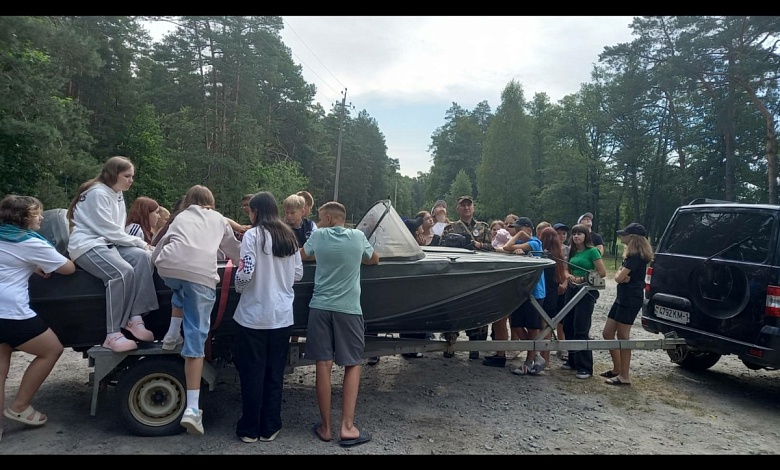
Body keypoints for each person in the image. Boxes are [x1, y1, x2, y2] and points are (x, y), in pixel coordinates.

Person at [151, 185, 241, 436]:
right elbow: (234, 251)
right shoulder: (219, 219)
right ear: (211, 202)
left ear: (188, 201)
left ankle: (170, 335)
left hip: (168, 268)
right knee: (196, 343)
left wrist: (154, 264)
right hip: (200, 276)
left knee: (180, 289)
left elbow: (161, 246)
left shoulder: (180, 216)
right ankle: (192, 409)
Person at [301, 201, 379, 447]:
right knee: (352, 364)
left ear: (329, 219)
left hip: (320, 308)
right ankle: (347, 427)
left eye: (320, 217)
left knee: (322, 365)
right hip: (349, 310)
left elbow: (303, 255)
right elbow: (373, 259)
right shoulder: (357, 237)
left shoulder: (319, 235)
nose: (318, 221)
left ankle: (326, 428)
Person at [0, 195, 76, 439]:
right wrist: (38, 261)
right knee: (51, 349)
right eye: (36, 214)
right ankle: (20, 406)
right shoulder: (29, 242)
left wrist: (32, 265)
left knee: (1, 365)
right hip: (10, 311)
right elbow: (68, 268)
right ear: (23, 218)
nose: (41, 218)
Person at [66, 156, 159, 353]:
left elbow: (116, 232)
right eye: (127, 176)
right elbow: (108, 230)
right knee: (121, 272)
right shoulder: (97, 193)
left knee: (143, 258)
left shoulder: (116, 193)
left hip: (109, 242)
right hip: (87, 245)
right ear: (112, 174)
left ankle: (135, 316)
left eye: (132, 176)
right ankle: (112, 334)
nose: (131, 180)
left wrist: (142, 249)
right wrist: (141, 242)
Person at [233, 192, 303, 443]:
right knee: (275, 373)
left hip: (253, 314)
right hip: (282, 316)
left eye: (249, 210)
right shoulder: (289, 236)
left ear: (256, 211)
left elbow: (245, 272)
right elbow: (297, 274)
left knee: (252, 373)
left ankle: (250, 428)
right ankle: (270, 425)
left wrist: (239, 288)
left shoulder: (252, 235)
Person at [439, 196, 494, 359]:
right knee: (451, 311)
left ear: (473, 208)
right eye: (463, 205)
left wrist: (480, 245)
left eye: (469, 205)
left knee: (478, 310)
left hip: (478, 276)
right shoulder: (450, 228)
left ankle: (475, 346)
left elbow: (492, 249)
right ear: (458, 209)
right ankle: (449, 344)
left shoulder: (483, 227)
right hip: (455, 276)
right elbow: (441, 249)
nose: (466, 208)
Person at [601, 223, 653, 386]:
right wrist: (621, 275)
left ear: (633, 238)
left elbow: (617, 278)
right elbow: (619, 275)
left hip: (630, 300)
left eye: (624, 234)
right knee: (608, 333)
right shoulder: (630, 257)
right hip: (621, 298)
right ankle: (617, 369)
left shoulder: (636, 257)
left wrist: (621, 276)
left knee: (623, 336)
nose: (621, 237)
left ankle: (624, 375)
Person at [497, 217, 546, 374]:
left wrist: (518, 238)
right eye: (514, 229)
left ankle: (529, 360)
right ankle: (535, 353)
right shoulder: (522, 244)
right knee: (516, 324)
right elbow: (504, 249)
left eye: (519, 228)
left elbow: (506, 247)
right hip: (522, 290)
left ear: (528, 228)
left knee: (532, 327)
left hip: (535, 290)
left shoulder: (535, 242)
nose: (515, 231)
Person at [562, 224, 607, 379]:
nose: (576, 236)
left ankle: (585, 367)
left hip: (586, 292)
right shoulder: (573, 251)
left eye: (579, 234)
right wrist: (568, 276)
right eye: (574, 234)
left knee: (581, 327)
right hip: (572, 289)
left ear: (585, 236)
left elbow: (602, 272)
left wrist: (582, 278)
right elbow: (566, 268)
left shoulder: (592, 251)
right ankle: (572, 360)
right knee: (568, 325)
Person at [537, 226, 568, 366]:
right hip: (553, 293)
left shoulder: (542, 255)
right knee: (548, 326)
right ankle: (546, 359)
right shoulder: (558, 255)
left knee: (543, 327)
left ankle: (543, 359)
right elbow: (560, 277)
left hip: (543, 293)